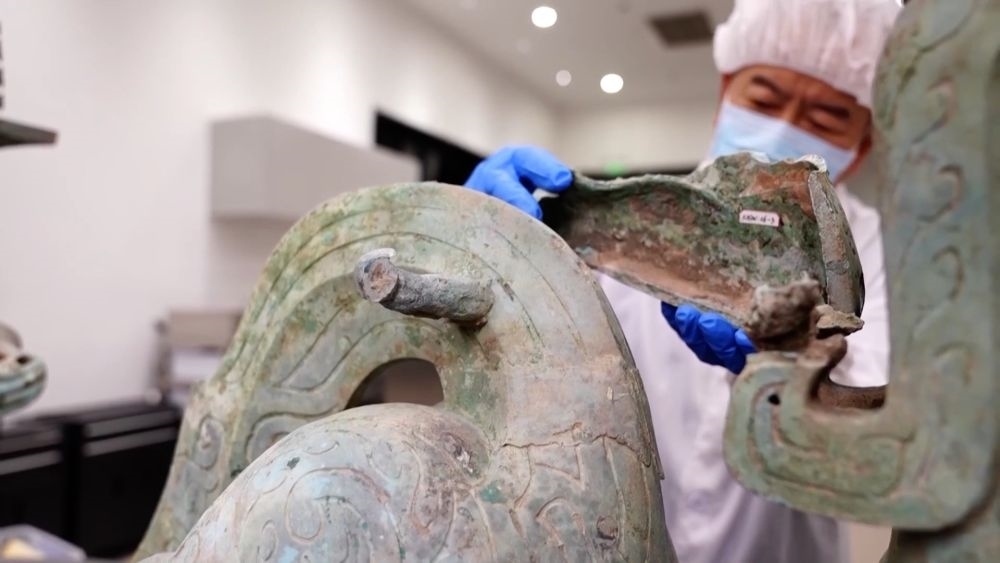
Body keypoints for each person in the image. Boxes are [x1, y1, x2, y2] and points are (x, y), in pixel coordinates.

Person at [463, 0, 899, 561]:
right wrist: (481, 242)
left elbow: (882, 435)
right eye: (764, 100)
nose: (783, 127)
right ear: (724, 96)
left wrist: (796, 368)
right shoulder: (639, 224)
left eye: (826, 117)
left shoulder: (885, 253)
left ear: (863, 145)